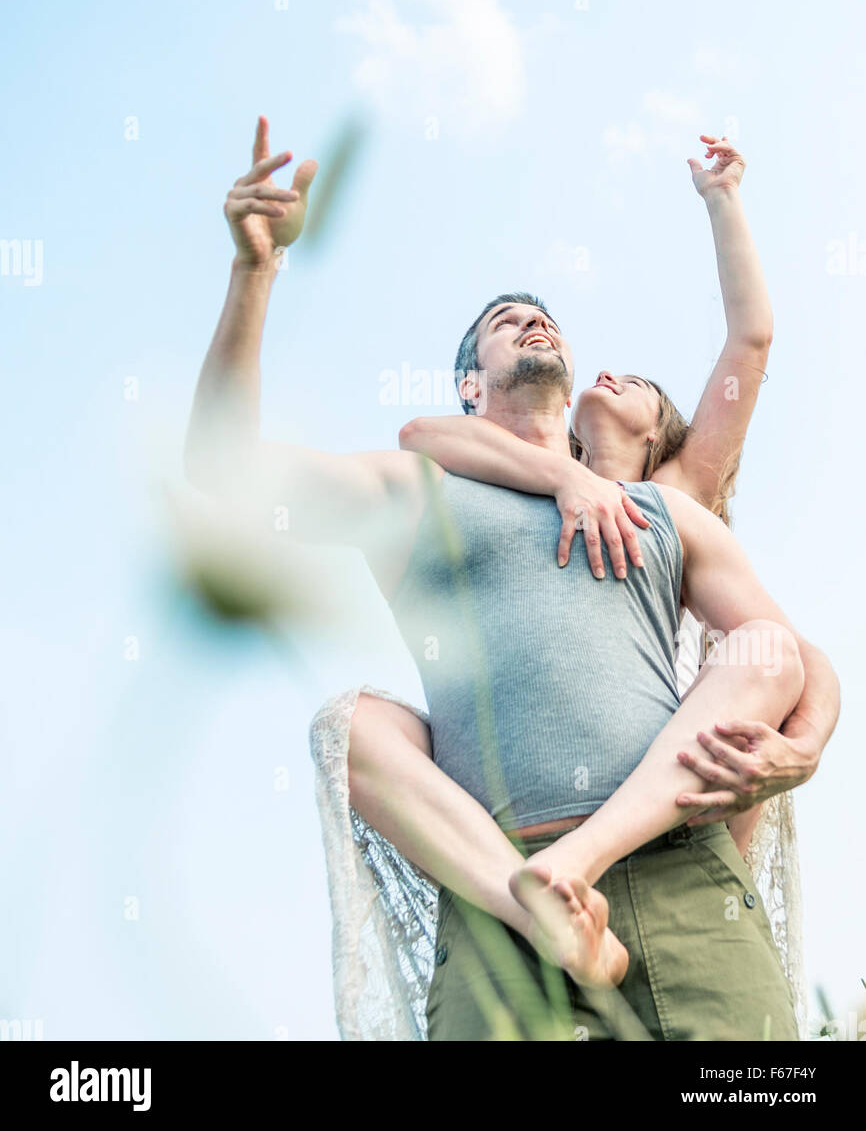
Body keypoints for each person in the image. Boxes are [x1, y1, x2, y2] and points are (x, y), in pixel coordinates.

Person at [184, 118, 839, 1041]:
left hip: (684, 878)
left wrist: (804, 747)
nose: (532, 321)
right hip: (500, 908)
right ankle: (539, 893)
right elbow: (226, 472)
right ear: (467, 386)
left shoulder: (658, 507)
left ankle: (572, 865)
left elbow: (783, 652)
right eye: (503, 323)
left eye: (547, 319)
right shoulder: (416, 487)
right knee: (352, 722)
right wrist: (254, 273)